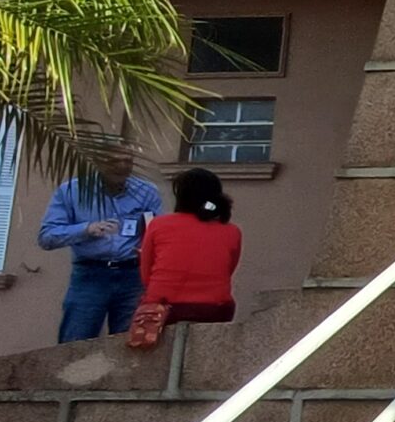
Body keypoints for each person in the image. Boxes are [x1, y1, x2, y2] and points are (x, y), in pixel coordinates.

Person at [39, 140, 165, 342]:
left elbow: (159, 233)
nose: (122, 166)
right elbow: (47, 237)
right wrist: (86, 229)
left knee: (132, 341)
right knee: (76, 341)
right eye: (114, 161)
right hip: (90, 275)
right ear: (97, 162)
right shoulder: (71, 191)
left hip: (132, 275)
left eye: (128, 161)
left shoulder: (146, 191)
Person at [139, 167, 245, 324]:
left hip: (162, 307)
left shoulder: (159, 225)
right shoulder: (232, 231)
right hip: (215, 307)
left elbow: (146, 271)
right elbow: (227, 269)